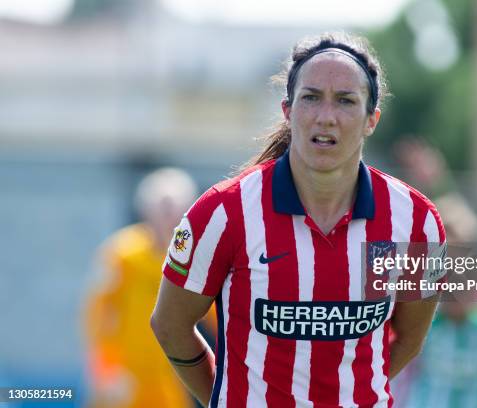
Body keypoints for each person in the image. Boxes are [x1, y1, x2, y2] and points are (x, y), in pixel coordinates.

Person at [150, 32, 447, 407]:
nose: (326, 117)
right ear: (288, 111)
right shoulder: (223, 212)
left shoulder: (419, 222)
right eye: (311, 98)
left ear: (372, 119)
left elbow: (408, 339)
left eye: (345, 101)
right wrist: (224, 397)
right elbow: (170, 325)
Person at [84, 167, 217, 408]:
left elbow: (214, 316)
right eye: (163, 207)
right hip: (125, 378)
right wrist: (106, 371)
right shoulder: (122, 253)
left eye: (175, 207)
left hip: (171, 377)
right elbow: (98, 316)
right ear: (146, 209)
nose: (169, 215)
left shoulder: (190, 258)